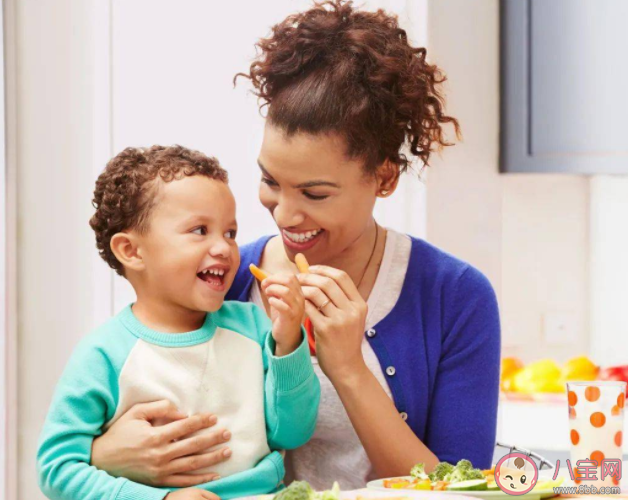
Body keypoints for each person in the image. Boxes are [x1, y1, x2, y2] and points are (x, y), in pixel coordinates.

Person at [89, 0, 501, 491]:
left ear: (384, 177)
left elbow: (464, 489)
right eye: (270, 181)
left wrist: (348, 369)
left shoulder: (453, 297)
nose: (284, 213)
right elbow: (125, 388)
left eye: (315, 193)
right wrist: (103, 451)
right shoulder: (221, 277)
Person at [36, 145, 320, 500]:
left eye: (230, 233)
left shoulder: (252, 326)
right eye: (200, 230)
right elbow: (57, 469)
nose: (224, 248)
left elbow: (292, 432)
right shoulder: (103, 355)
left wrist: (288, 341)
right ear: (132, 251)